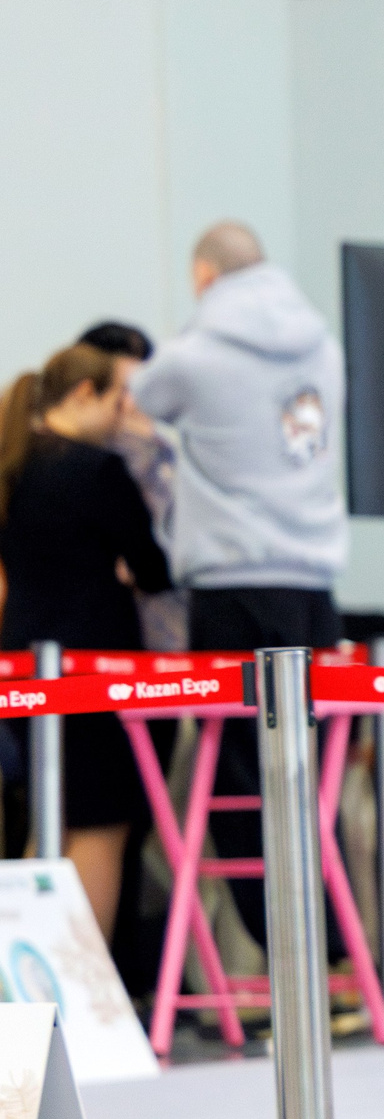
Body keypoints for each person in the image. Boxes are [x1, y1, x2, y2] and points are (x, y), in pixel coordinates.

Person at [129, 221, 346, 943]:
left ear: (203, 278)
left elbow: (145, 398)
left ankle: (276, 949)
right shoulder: (326, 349)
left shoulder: (197, 354)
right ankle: (330, 954)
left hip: (231, 584)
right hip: (314, 587)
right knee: (312, 782)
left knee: (239, 781)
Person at [0, 344, 174, 934]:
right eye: (119, 397)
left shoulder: (14, 463)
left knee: (48, 826)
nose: (128, 411)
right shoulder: (96, 471)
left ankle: (23, 990)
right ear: (83, 394)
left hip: (25, 661)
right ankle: (78, 994)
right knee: (99, 831)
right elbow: (153, 566)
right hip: (95, 670)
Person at [75, 322, 184, 652]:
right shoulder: (77, 466)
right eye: (123, 389)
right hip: (98, 641)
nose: (135, 403)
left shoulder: (169, 455)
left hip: (171, 637)